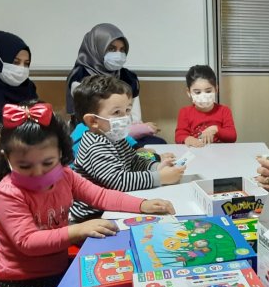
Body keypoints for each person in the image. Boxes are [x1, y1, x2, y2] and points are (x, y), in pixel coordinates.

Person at [0, 101, 175, 287]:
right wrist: (78, 229)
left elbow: (100, 195)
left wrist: (142, 204)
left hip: (57, 268)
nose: (38, 173)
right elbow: (27, 241)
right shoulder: (7, 194)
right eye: (24, 166)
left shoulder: (65, 176)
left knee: (124, 286)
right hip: (23, 284)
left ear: (60, 152)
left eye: (47, 163)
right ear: (7, 158)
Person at [70, 75, 184, 223]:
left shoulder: (114, 137)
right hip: (92, 216)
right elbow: (118, 181)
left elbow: (134, 161)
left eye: (127, 110)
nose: (125, 118)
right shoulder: (95, 145)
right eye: (117, 113)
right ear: (93, 121)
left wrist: (156, 167)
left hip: (114, 206)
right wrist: (160, 177)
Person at [66, 23, 166, 146]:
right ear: (96, 48)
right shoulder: (81, 78)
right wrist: (135, 131)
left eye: (122, 50)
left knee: (158, 144)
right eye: (112, 49)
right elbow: (92, 123)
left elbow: (134, 117)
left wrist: (139, 128)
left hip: (124, 133)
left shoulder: (128, 77)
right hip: (95, 134)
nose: (118, 54)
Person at [175, 65, 237, 147]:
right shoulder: (185, 112)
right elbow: (179, 136)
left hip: (220, 155)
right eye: (197, 92)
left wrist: (215, 129)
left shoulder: (224, 110)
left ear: (216, 89)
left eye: (208, 91)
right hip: (196, 153)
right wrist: (188, 139)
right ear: (189, 92)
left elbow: (232, 136)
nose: (203, 96)